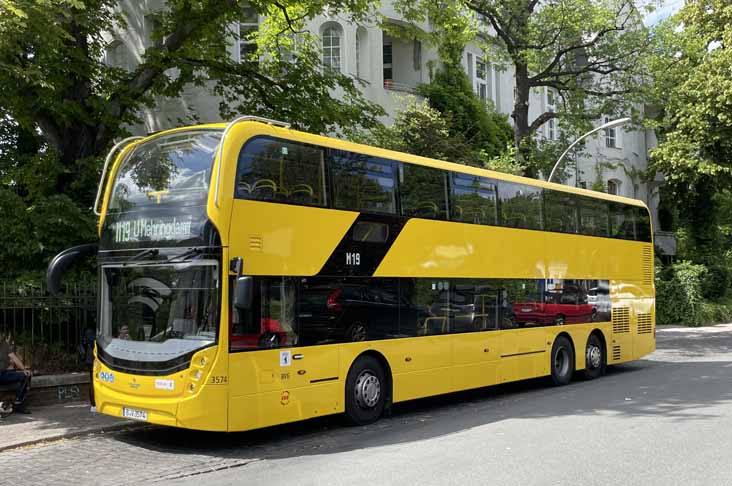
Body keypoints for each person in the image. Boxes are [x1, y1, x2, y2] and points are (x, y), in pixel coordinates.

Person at [0, 335, 31, 415]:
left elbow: (14, 358)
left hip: (3, 374)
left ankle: (18, 404)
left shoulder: (4, 345)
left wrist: (24, 369)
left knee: (25, 376)